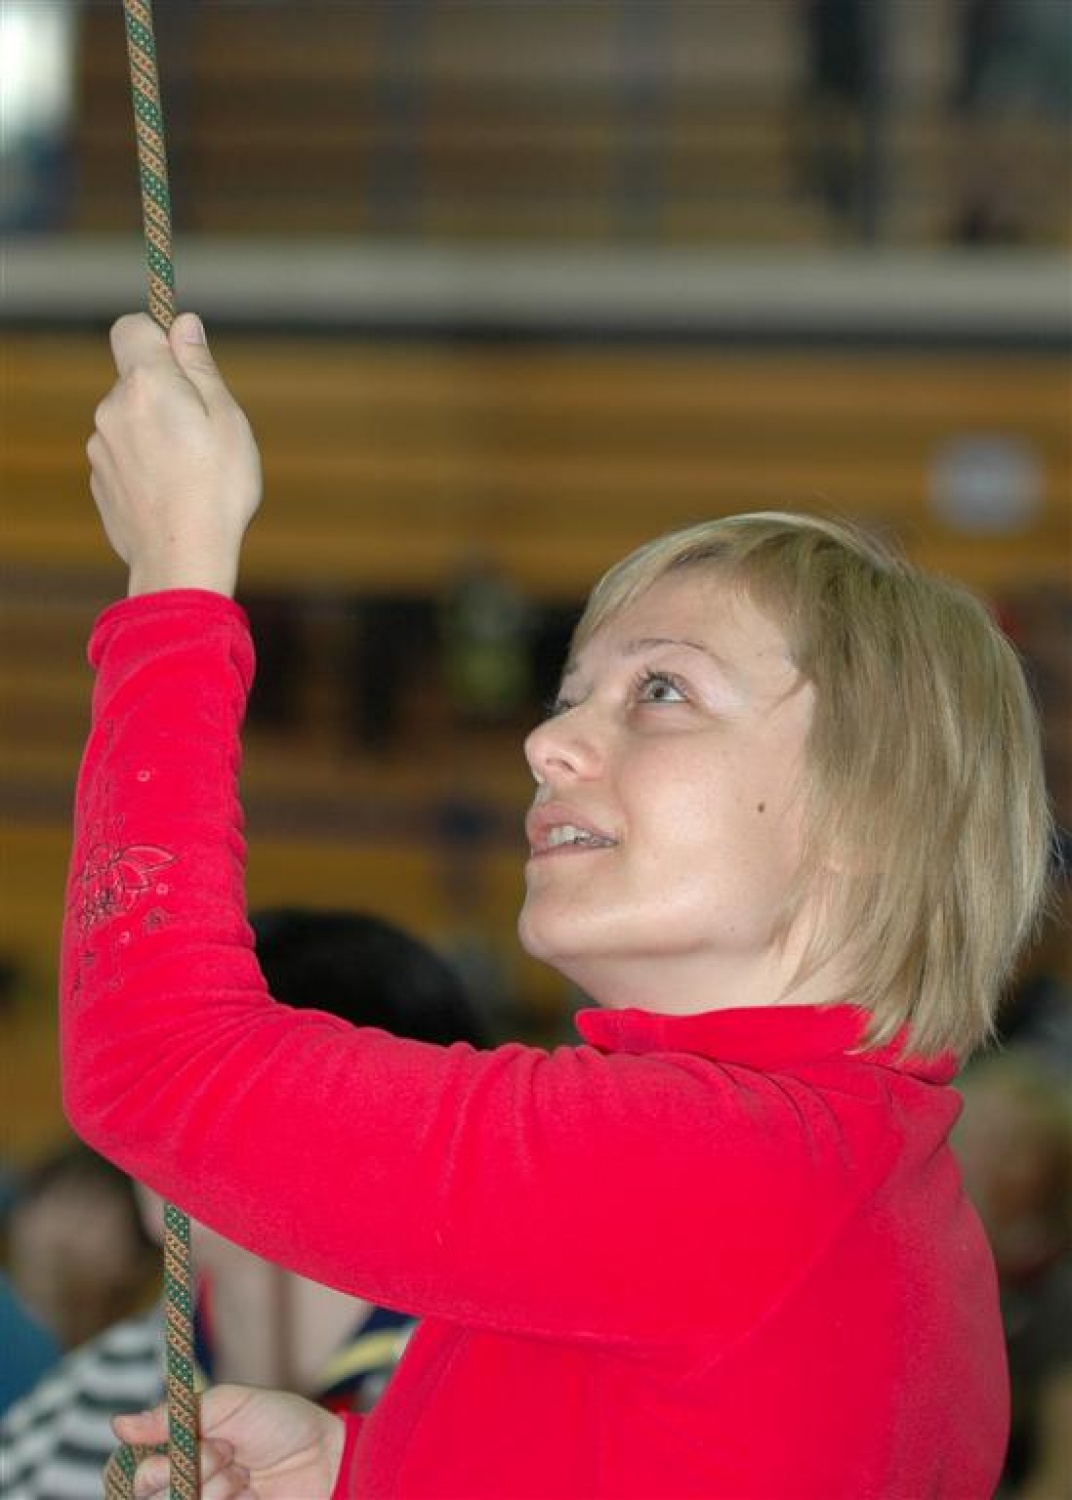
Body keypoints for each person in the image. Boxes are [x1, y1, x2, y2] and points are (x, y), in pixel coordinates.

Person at [62, 311, 1051, 1498]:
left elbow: (158, 1058)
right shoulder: (858, 1173)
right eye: (574, 693)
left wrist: (175, 578)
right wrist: (364, 1470)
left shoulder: (725, 1165)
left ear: (868, 816)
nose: (549, 742)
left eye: (663, 690)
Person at [2, 907, 485, 1500]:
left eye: (216, 1078)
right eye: (157, 1076)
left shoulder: (505, 1398)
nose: (156, 1118)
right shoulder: (79, 1409)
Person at [4, 1142, 159, 1353]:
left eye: (91, 1212)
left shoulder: (138, 1360)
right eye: (56, 1198)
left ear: (135, 1262)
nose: (65, 1223)